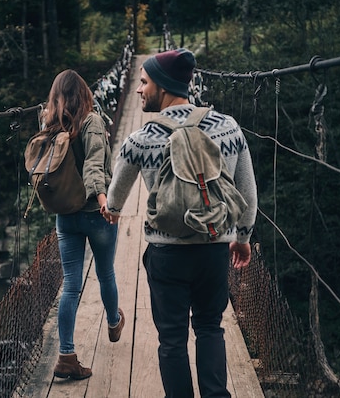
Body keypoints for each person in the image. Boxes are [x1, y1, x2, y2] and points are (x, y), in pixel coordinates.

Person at [103, 49, 257, 397]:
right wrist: (243, 237)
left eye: (143, 82)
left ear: (162, 86)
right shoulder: (228, 127)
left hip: (167, 254)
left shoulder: (139, 139)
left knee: (172, 338)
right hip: (215, 248)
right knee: (209, 327)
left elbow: (115, 198)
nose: (139, 90)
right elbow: (246, 190)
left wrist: (111, 210)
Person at [41, 69, 125, 380]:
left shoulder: (49, 125)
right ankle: (114, 321)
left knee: (71, 285)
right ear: (85, 93)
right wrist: (104, 199)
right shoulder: (92, 121)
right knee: (105, 272)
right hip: (95, 213)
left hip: (65, 216)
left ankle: (66, 355)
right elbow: (93, 164)